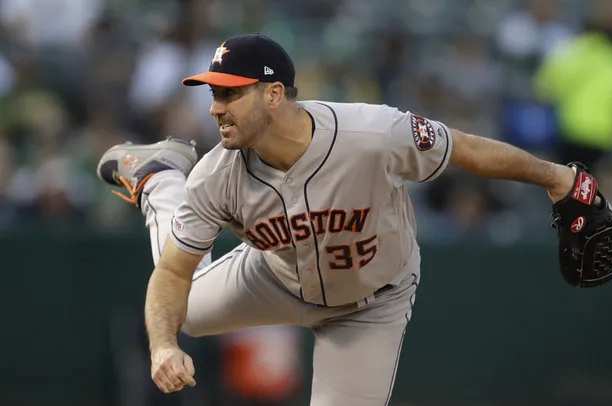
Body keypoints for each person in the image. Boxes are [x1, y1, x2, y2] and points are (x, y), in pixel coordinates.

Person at [97, 33, 577, 406]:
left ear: (273, 94)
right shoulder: (215, 175)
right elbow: (174, 273)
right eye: (213, 94)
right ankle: (160, 180)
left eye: (229, 94)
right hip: (275, 276)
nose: (215, 108)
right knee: (186, 314)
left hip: (371, 304)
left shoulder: (372, 133)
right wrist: (162, 347)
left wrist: (557, 178)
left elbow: (467, 150)